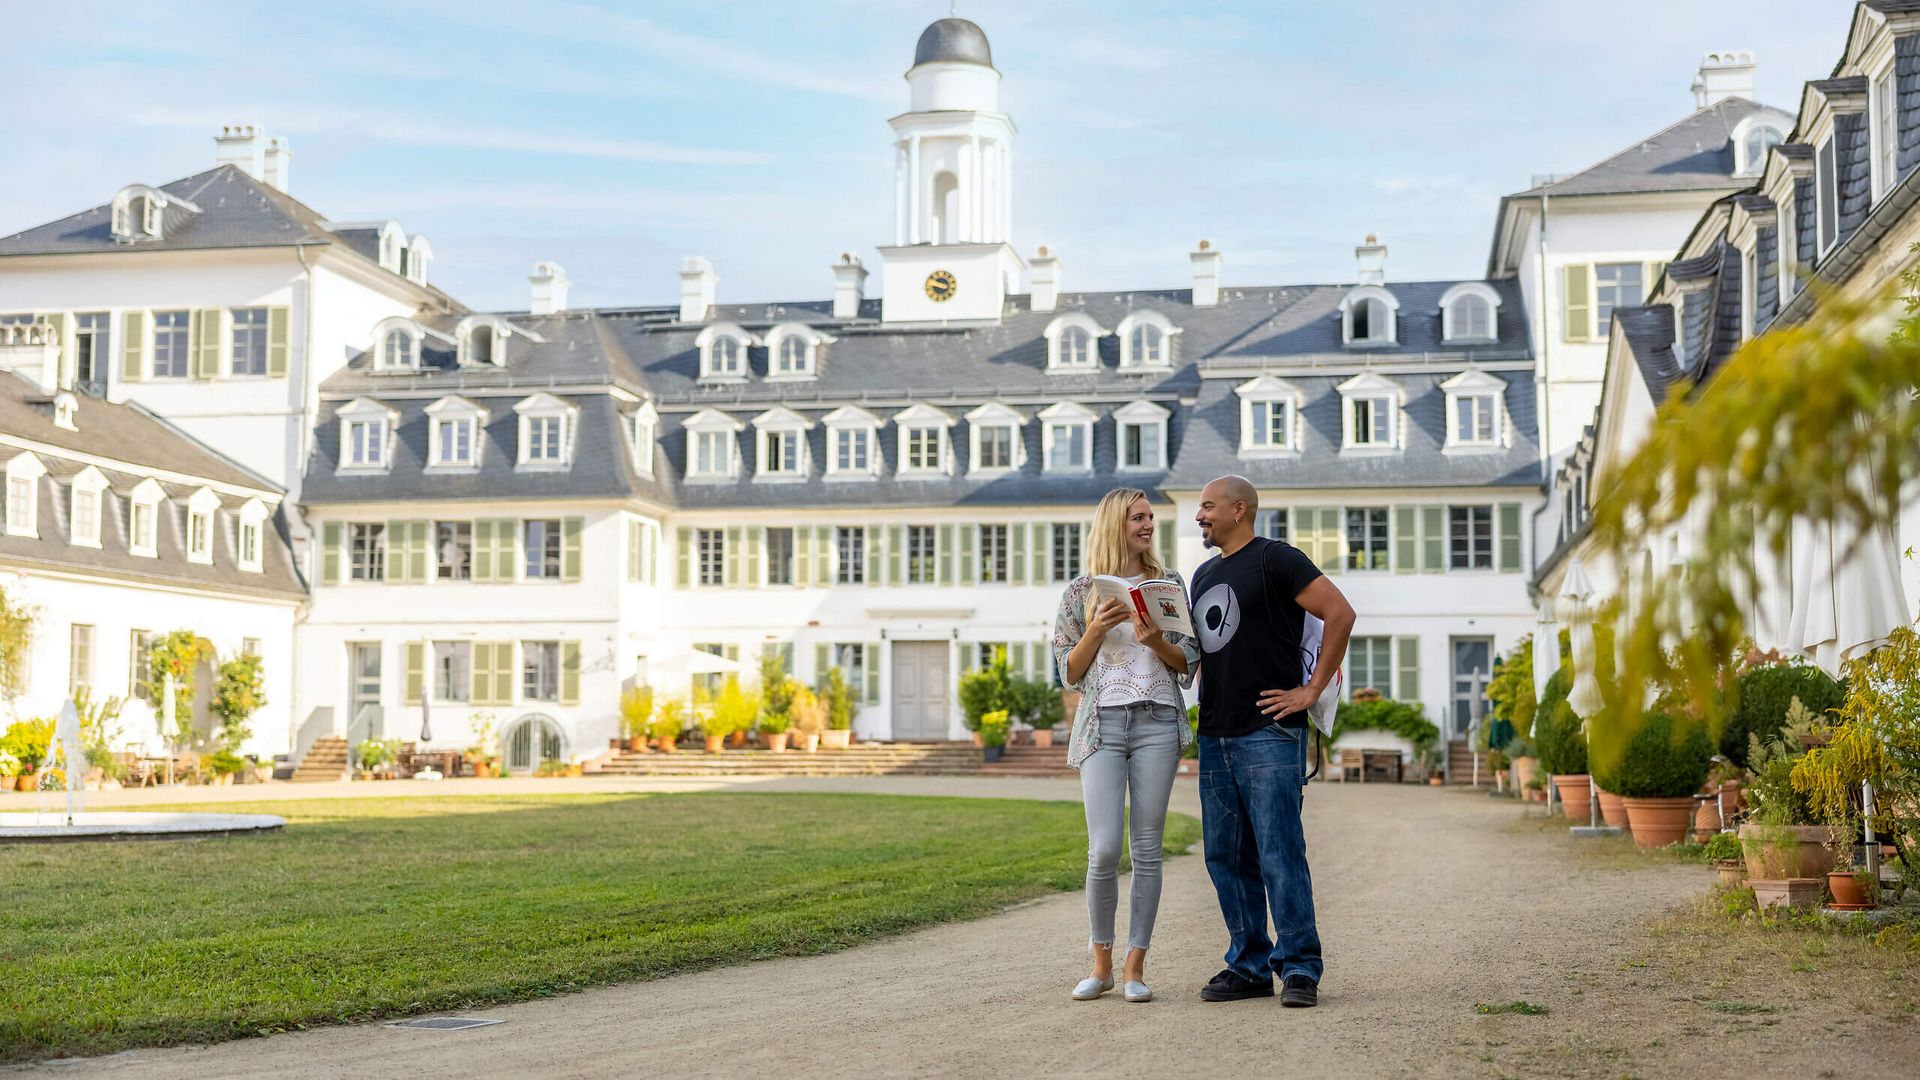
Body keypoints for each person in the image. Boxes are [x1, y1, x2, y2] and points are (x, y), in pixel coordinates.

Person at [1189, 475, 1355, 1008]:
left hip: (1269, 731)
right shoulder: (1203, 574)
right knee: (1225, 855)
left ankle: (1300, 967)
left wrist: (1310, 690)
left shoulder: (1277, 559)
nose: (1200, 516)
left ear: (1240, 510)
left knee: (1280, 851)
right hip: (1215, 732)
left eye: (1208, 506)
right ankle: (1249, 965)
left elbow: (1341, 613)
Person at [1050, 487, 1200, 1003]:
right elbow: (1069, 672)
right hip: (1103, 727)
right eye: (1138, 517)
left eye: (1151, 517)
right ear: (1116, 524)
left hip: (1158, 721)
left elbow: (1188, 662)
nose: (1147, 525)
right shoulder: (1080, 592)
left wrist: (1154, 637)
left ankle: (1135, 967)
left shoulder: (1170, 584)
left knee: (1148, 849)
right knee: (1104, 849)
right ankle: (1101, 964)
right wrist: (1094, 629)